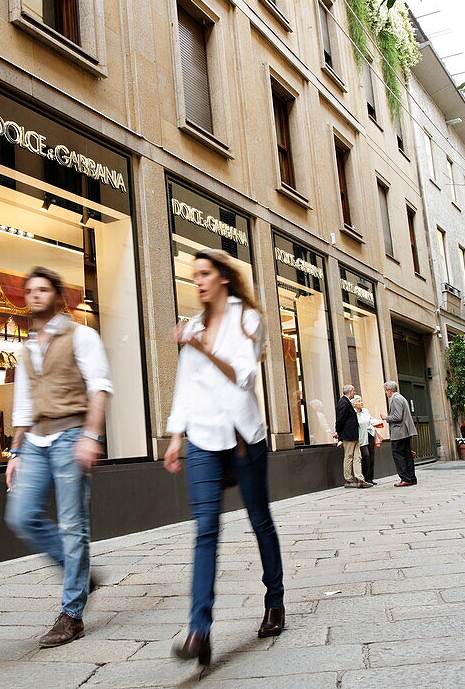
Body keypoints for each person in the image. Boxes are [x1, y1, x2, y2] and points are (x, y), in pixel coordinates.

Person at [164, 249, 285, 667]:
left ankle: (275, 601)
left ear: (223, 278)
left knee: (259, 520)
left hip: (242, 438)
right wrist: (175, 436)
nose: (197, 281)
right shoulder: (195, 325)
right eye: (194, 275)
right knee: (205, 531)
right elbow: (186, 384)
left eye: (204, 274)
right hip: (201, 438)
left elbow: (244, 374)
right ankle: (200, 630)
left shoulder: (248, 320)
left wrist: (199, 343)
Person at [4, 267, 112, 648]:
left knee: (72, 526)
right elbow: (23, 403)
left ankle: (72, 614)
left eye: (42, 290)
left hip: (70, 435)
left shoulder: (82, 335)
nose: (33, 295)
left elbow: (100, 387)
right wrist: (15, 451)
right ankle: (76, 570)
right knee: (20, 515)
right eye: (29, 290)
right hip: (35, 439)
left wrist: (90, 436)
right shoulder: (28, 346)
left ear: (57, 296)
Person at [383, 381, 418, 487]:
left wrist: (386, 418)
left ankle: (405, 478)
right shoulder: (401, 398)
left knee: (398, 455)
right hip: (404, 432)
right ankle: (411, 478)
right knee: (407, 455)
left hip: (399, 432)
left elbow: (398, 417)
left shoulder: (396, 399)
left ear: (389, 390)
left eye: (385, 390)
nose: (385, 393)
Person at [334, 385, 369, 488]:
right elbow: (340, 419)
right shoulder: (343, 402)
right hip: (348, 435)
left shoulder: (347, 402)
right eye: (353, 391)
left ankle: (360, 479)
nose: (354, 392)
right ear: (349, 391)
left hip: (354, 435)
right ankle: (348, 480)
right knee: (349, 456)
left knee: (357, 456)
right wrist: (339, 434)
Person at [354, 395, 382, 486]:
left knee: (371, 457)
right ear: (354, 403)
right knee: (365, 456)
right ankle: (365, 478)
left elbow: (370, 419)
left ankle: (370, 478)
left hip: (370, 434)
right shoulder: (353, 413)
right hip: (361, 437)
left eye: (361, 400)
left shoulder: (365, 411)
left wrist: (378, 422)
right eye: (358, 401)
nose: (361, 402)